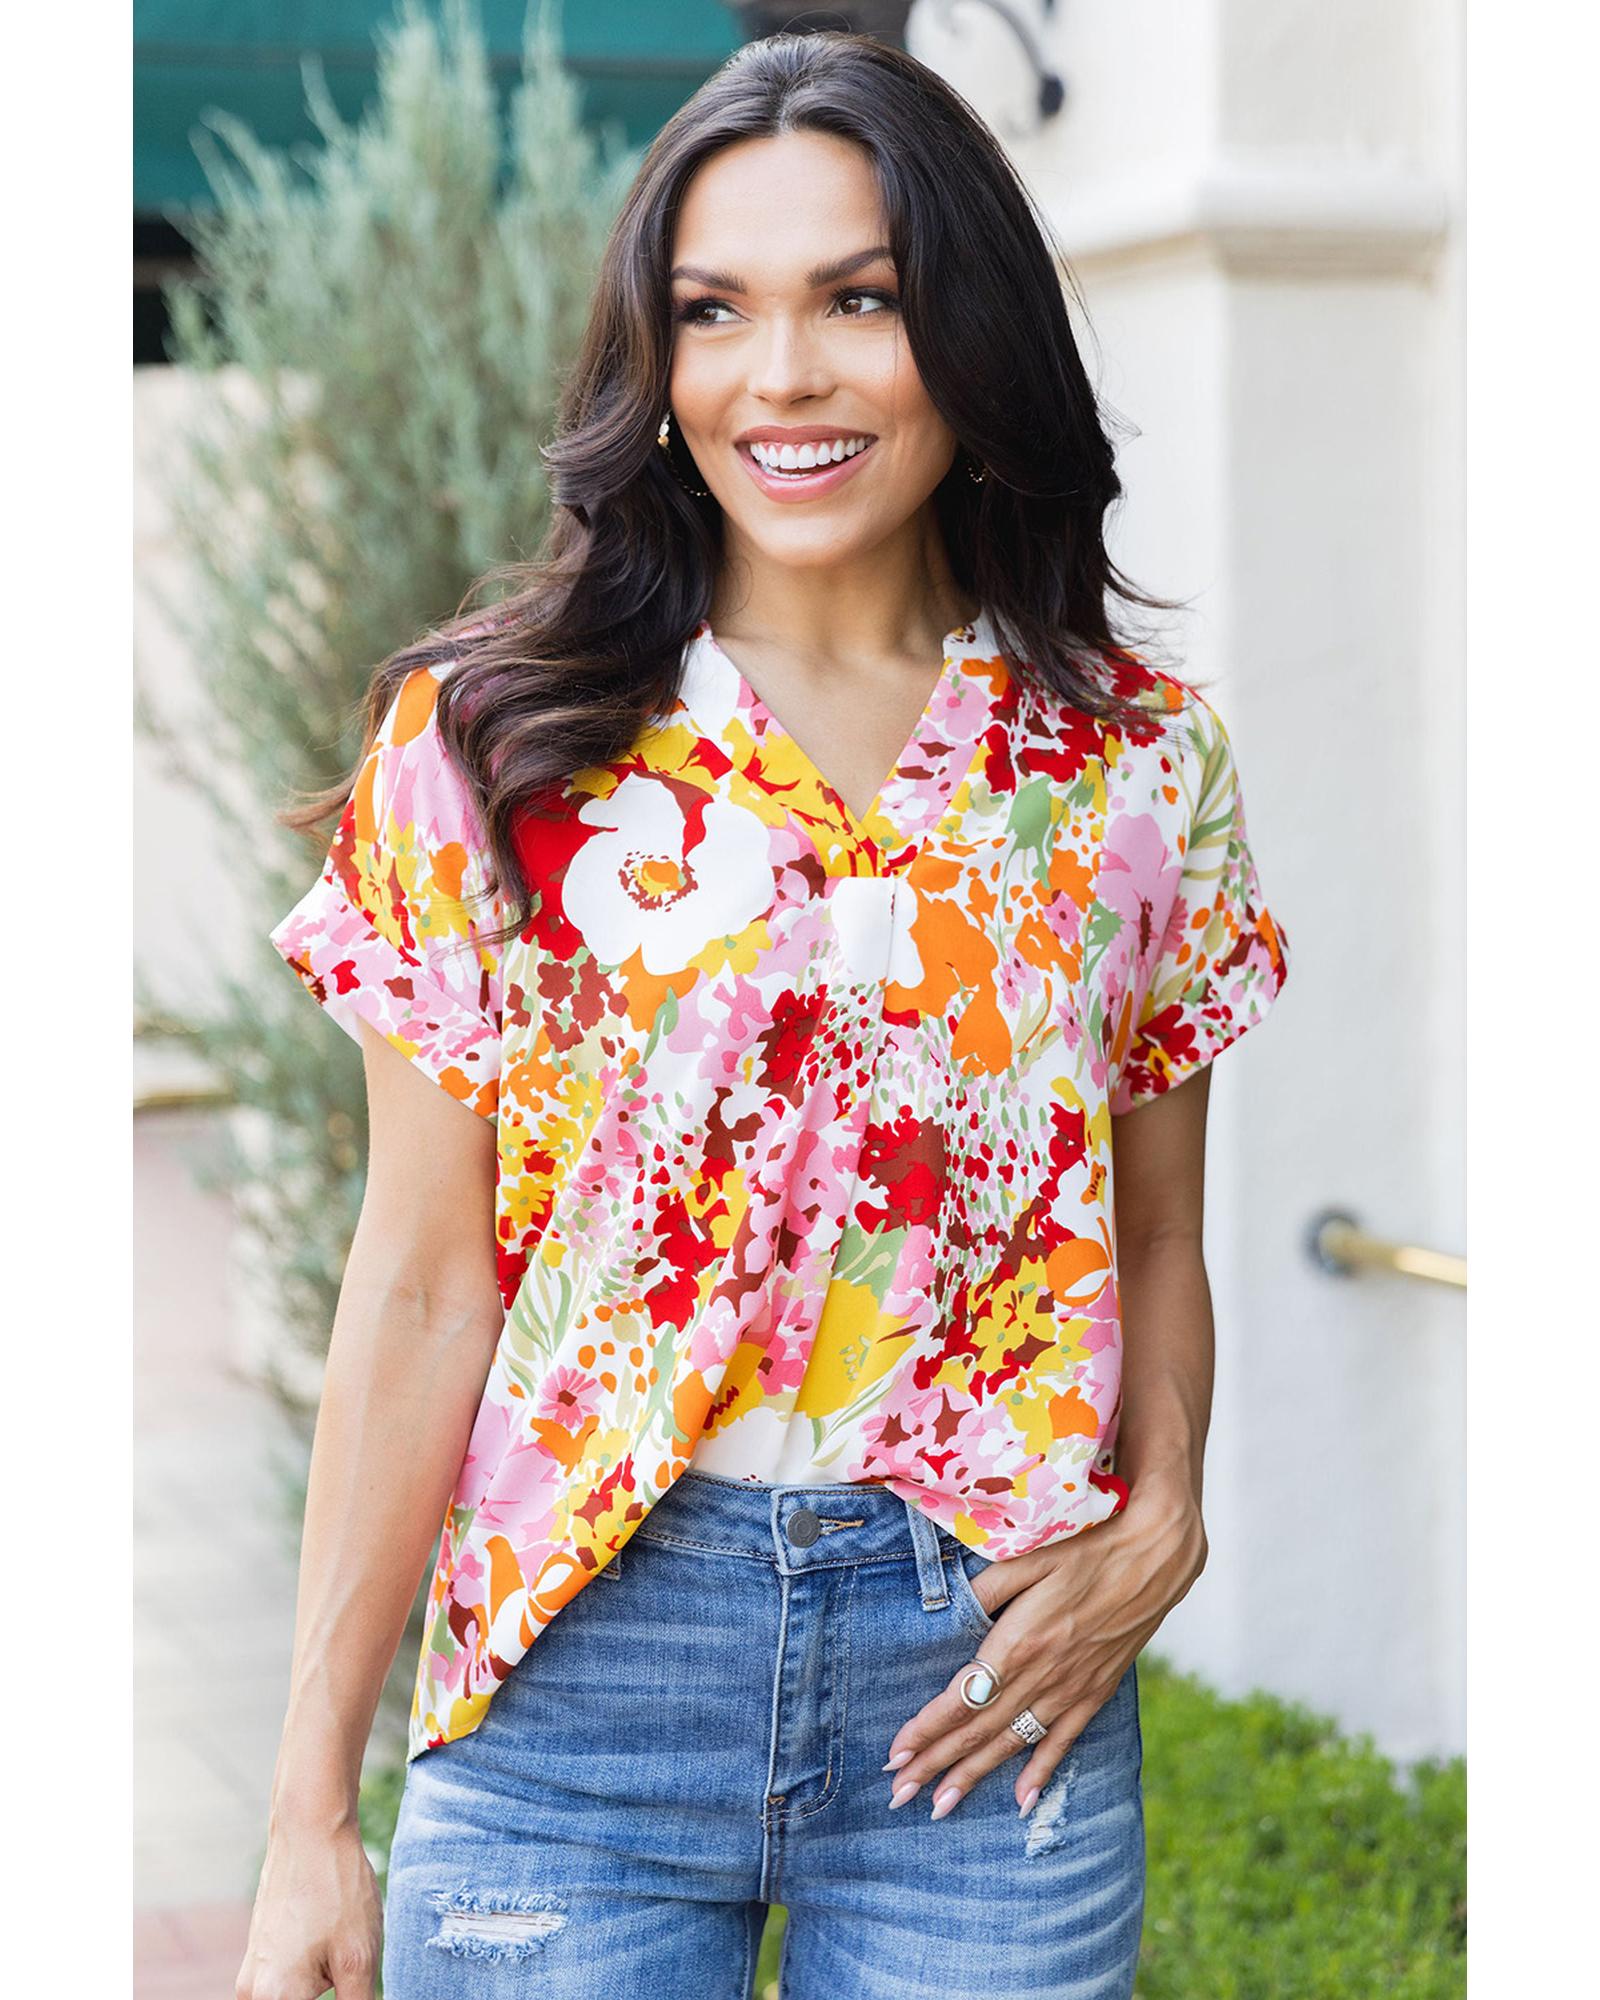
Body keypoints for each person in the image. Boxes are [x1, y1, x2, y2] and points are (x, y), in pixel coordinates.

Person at [238, 29, 1291, 2000]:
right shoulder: (489, 745)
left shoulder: (1135, 765)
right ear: (654, 363)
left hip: (989, 1679)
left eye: (857, 301)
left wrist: (1167, 1513)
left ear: (968, 336)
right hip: (580, 1677)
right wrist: (308, 1809)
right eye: (713, 311)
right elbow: (422, 1281)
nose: (779, 374)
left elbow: (1155, 1234)